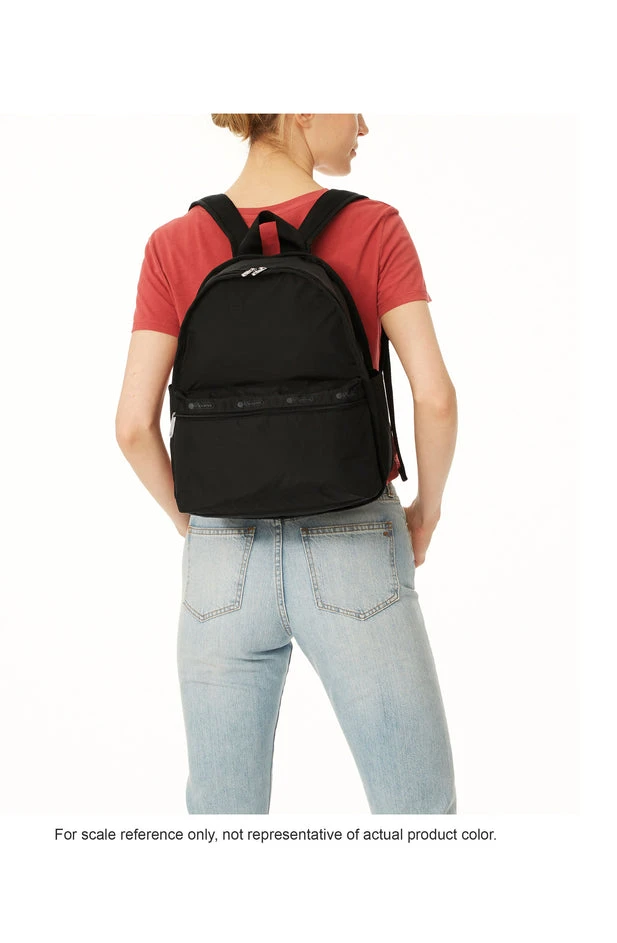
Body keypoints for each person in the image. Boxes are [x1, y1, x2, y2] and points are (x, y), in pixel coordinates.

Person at [116, 114, 458, 814]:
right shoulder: (373, 227)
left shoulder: (173, 244)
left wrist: (193, 523)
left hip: (221, 558)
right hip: (354, 540)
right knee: (417, 814)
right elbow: (435, 397)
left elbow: (132, 427)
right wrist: (427, 511)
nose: (364, 123)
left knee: (224, 819)